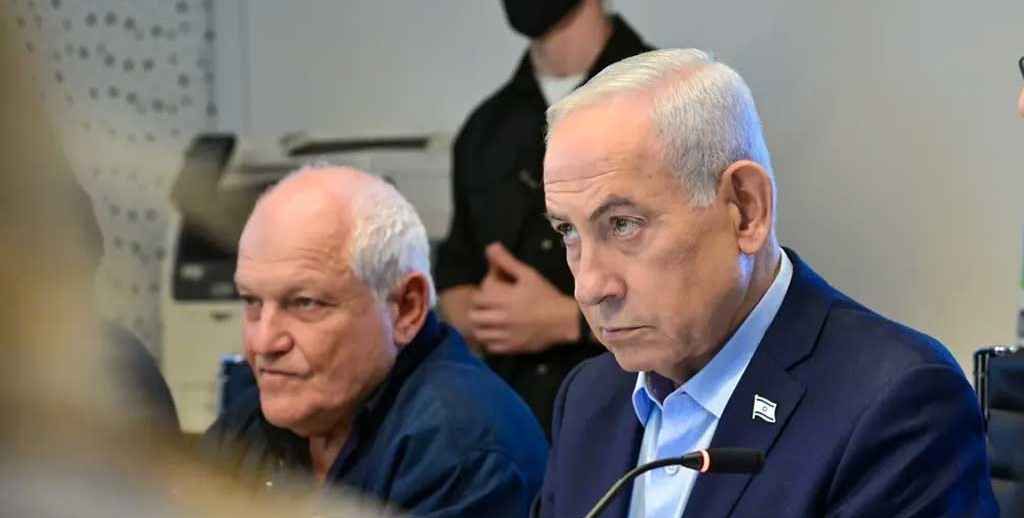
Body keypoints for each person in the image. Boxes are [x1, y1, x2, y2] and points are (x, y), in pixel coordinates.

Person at [534, 49, 997, 517]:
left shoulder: (896, 404)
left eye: (623, 225)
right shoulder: (590, 398)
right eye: (568, 231)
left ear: (746, 209)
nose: (589, 287)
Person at [203, 166, 547, 516]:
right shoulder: (258, 417)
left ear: (406, 308)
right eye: (252, 302)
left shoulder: (464, 449)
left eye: (305, 303)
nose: (263, 343)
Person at [435, 0, 652, 436]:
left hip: (637, 420)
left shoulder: (665, 103)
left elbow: (710, 287)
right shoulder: (485, 129)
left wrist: (568, 321)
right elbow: (458, 271)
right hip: (512, 426)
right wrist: (486, 317)